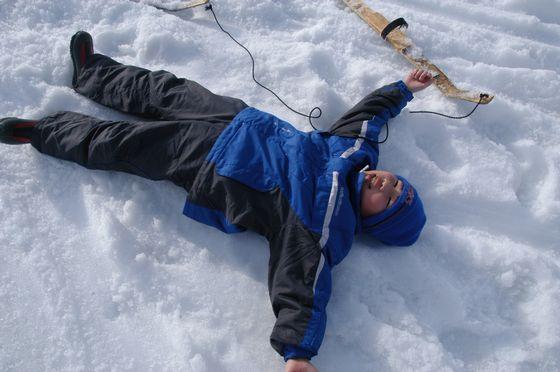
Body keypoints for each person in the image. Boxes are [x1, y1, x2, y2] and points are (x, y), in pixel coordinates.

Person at [0, 31, 434, 372]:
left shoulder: (323, 224)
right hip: (233, 116)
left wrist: (297, 351)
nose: (386, 185)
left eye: (389, 200)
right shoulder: (354, 151)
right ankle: (92, 72)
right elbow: (368, 117)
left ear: (373, 223)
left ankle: (40, 131)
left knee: (123, 144)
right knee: (162, 89)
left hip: (212, 163)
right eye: (398, 184)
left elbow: (304, 285)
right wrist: (403, 90)